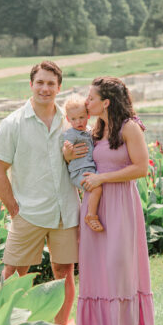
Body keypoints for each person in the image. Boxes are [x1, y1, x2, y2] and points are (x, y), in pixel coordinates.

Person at [0, 61, 80, 325]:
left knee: (63, 273)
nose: (45, 88)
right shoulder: (13, 124)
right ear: (31, 84)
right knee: (13, 274)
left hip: (65, 211)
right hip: (27, 213)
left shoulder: (70, 123)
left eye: (51, 84)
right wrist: (13, 208)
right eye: (40, 82)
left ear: (59, 88)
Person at [64, 76, 154, 325]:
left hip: (121, 204)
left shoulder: (130, 128)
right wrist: (69, 157)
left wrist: (104, 177)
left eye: (91, 98)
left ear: (106, 102)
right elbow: (81, 162)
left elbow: (142, 168)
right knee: (96, 267)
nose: (86, 101)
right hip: (95, 204)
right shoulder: (92, 130)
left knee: (120, 264)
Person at [62, 95, 103, 232]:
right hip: (79, 172)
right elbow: (65, 147)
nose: (78, 121)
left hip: (89, 170)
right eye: (73, 119)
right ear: (68, 119)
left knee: (99, 186)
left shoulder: (89, 130)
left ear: (88, 115)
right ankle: (91, 216)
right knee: (96, 188)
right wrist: (67, 150)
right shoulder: (71, 134)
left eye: (81, 117)